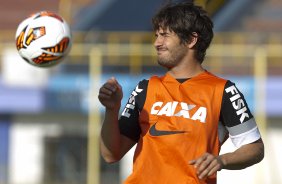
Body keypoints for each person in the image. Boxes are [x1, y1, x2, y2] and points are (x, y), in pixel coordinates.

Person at [98, 2, 264, 184]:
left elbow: (255, 148)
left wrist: (222, 160)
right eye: (156, 36)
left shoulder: (223, 91)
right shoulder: (145, 88)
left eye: (165, 35)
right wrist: (112, 110)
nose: (156, 43)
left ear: (192, 40)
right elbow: (110, 154)